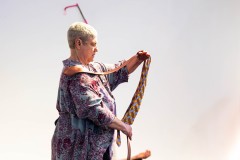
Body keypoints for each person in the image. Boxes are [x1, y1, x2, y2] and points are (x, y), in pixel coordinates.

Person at [51, 22, 150, 160]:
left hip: (98, 147)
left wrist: (138, 59)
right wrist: (123, 126)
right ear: (79, 43)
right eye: (93, 44)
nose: (96, 49)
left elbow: (119, 70)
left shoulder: (94, 68)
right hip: (77, 149)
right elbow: (94, 110)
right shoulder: (75, 76)